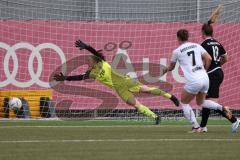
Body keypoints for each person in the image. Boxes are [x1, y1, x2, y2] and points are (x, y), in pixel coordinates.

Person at [54, 40, 180, 125]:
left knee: (146, 89)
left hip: (125, 81)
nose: (88, 61)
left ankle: (171, 97)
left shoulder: (102, 62)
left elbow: (95, 53)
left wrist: (86, 47)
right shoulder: (91, 73)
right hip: (119, 89)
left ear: (95, 60)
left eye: (89, 60)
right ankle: (156, 117)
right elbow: (79, 77)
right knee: (135, 104)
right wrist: (64, 78)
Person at [163, 29, 231, 132]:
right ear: (187, 37)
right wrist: (205, 70)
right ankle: (222, 108)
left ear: (178, 38)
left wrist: (165, 69)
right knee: (201, 102)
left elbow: (171, 67)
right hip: (205, 78)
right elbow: (208, 58)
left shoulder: (176, 51)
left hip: (194, 80)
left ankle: (196, 126)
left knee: (184, 102)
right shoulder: (197, 46)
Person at [199, 21, 240, 133]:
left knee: (211, 103)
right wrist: (217, 66)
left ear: (203, 32)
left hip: (212, 74)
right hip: (219, 72)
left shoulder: (203, 45)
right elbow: (226, 58)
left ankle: (234, 120)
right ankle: (202, 126)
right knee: (208, 101)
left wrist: (205, 70)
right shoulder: (218, 43)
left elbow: (207, 59)